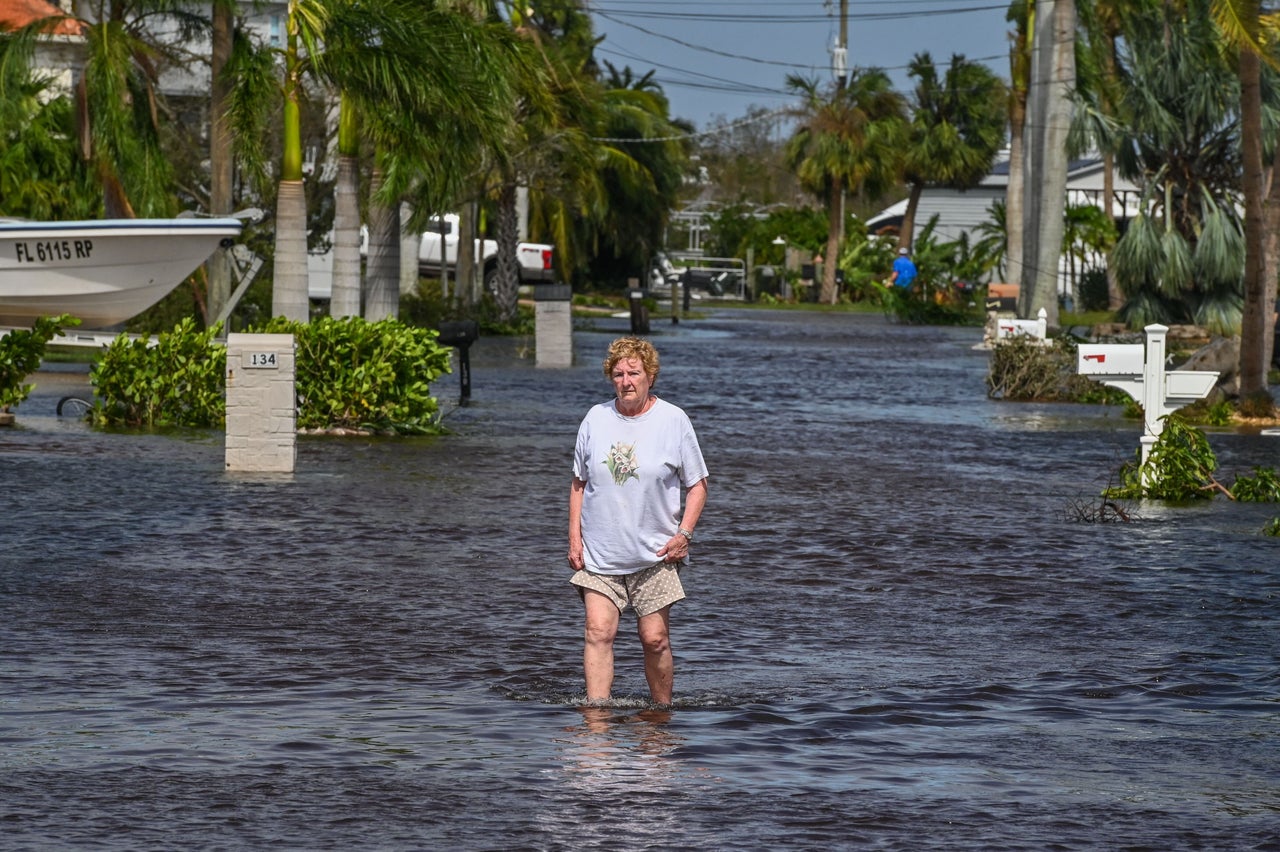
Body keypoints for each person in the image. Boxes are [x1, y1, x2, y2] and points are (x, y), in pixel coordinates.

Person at [567, 336, 709, 706]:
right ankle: (596, 721)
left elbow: (698, 485)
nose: (626, 381)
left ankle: (661, 714)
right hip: (601, 554)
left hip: (656, 555)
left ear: (650, 376)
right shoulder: (595, 419)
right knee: (598, 631)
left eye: (634, 373)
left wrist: (684, 535)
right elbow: (578, 484)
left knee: (655, 638)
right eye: (618, 374)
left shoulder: (673, 420)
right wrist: (574, 540)